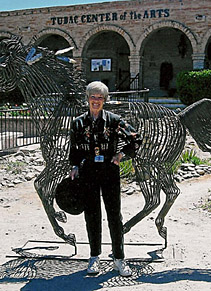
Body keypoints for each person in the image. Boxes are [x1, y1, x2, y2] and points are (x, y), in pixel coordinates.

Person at [69, 81, 142, 276]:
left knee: (114, 215)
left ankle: (119, 258)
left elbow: (136, 138)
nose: (96, 100)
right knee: (92, 214)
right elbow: (74, 148)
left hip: (109, 171)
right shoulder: (78, 123)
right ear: (87, 99)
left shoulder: (114, 121)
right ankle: (94, 257)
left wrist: (120, 155)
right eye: (93, 96)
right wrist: (74, 166)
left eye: (100, 97)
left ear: (105, 100)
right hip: (88, 172)